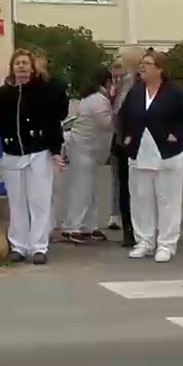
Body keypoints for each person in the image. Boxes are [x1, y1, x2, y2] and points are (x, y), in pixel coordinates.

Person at [119, 50, 183, 263]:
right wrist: (126, 137)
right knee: (140, 199)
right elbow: (123, 116)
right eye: (142, 63)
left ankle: (166, 244)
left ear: (160, 69)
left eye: (147, 63)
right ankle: (144, 241)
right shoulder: (135, 91)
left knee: (167, 200)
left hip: (166, 154)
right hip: (139, 153)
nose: (142, 67)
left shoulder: (175, 92)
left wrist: (176, 133)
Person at [0, 49, 64, 265]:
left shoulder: (43, 92)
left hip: (38, 152)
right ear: (12, 68)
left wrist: (56, 151)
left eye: (25, 63)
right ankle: (18, 245)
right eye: (17, 63)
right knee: (17, 202)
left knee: (39, 201)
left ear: (32, 67)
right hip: (12, 153)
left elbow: (52, 123)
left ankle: (39, 246)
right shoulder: (4, 93)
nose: (21, 66)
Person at [61, 66, 115, 244]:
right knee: (82, 189)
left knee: (90, 190)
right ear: (107, 82)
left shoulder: (91, 99)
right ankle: (72, 226)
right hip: (84, 148)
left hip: (86, 148)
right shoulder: (99, 100)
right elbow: (105, 124)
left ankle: (88, 226)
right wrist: (117, 112)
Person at [109, 47, 144, 247]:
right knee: (124, 189)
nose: (117, 64)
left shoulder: (137, 86)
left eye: (121, 60)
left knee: (137, 189)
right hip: (121, 143)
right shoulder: (121, 85)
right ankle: (128, 229)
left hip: (134, 143)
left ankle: (139, 230)